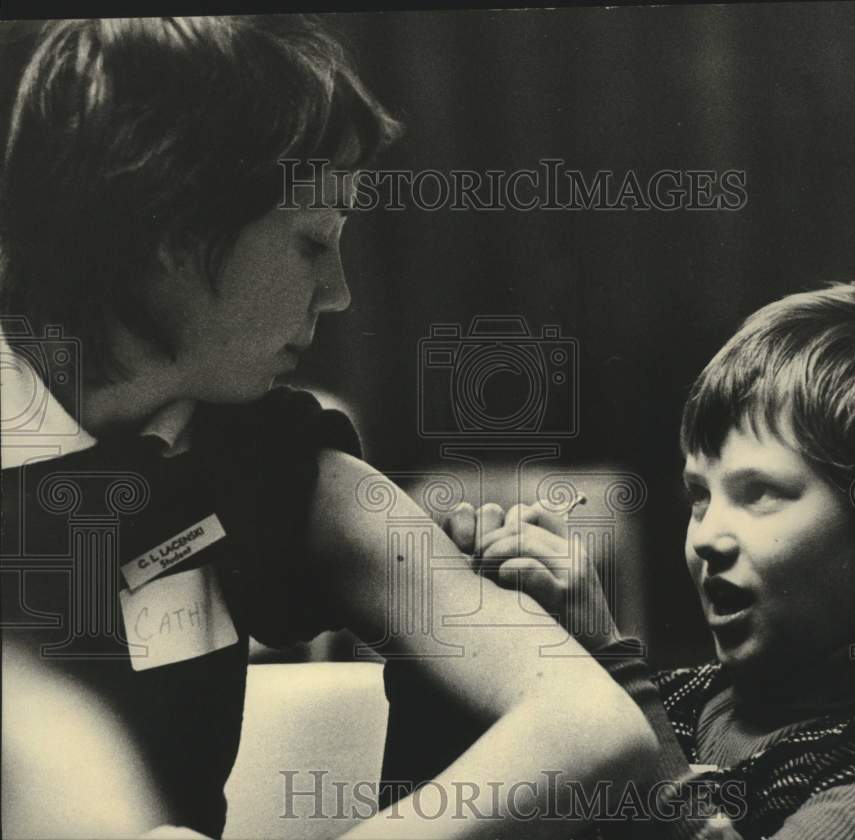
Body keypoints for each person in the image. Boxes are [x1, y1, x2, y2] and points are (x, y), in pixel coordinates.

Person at [0, 15, 660, 839]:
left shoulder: (269, 457)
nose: (339, 291)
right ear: (174, 231)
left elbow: (591, 726)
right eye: (312, 241)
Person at [432, 281, 855, 839]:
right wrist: (454, 640)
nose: (707, 536)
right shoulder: (682, 705)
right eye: (700, 497)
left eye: (760, 493)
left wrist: (609, 665)